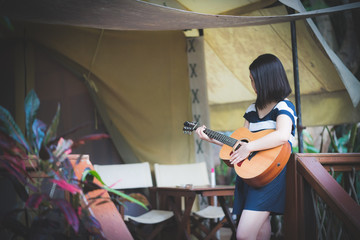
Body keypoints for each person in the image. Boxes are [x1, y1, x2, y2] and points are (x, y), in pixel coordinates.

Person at [195, 53, 297, 240]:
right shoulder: (252, 110)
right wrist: (209, 137)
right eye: (251, 80)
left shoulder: (284, 106)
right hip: (250, 176)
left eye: (255, 80)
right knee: (260, 231)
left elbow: (282, 135)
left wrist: (249, 148)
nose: (253, 85)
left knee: (244, 235)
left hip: (273, 176)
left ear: (268, 80)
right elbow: (240, 142)